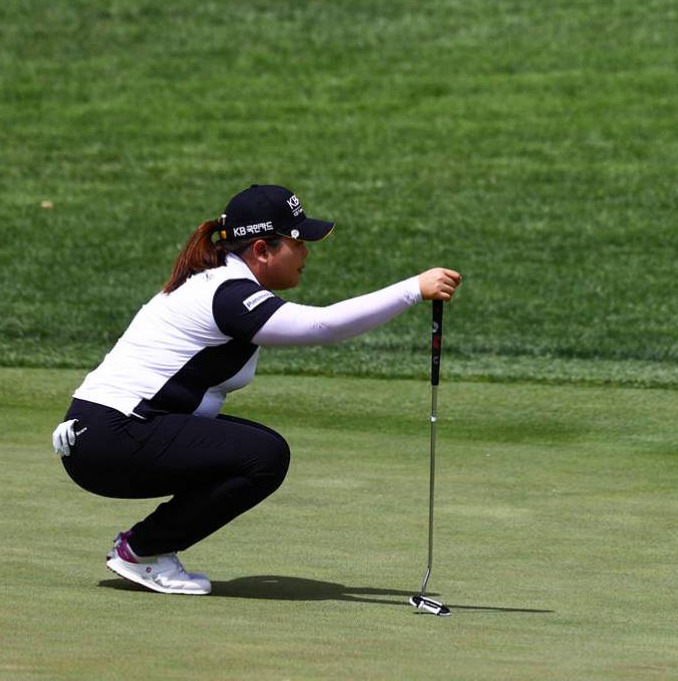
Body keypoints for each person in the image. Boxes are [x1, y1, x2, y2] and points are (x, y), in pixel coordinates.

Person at [51, 184, 461, 595]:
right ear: (263, 249)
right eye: (297, 243)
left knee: (259, 445)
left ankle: (144, 548)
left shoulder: (219, 282)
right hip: (110, 439)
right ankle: (142, 551)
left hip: (107, 433)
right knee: (263, 456)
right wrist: (412, 289)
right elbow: (324, 326)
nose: (306, 253)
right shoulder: (228, 294)